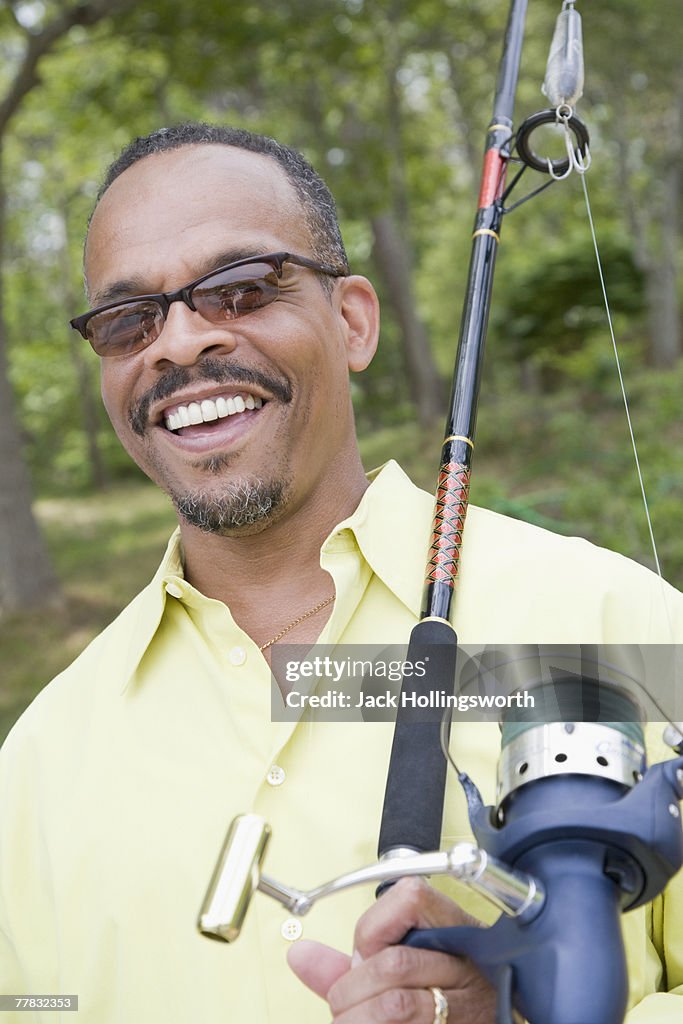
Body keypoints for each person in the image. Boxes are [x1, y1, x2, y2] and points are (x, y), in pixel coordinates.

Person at [0, 122, 681, 1024]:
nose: (178, 343)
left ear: (354, 321)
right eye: (130, 319)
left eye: (239, 289)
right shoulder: (41, 759)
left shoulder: (615, 622)